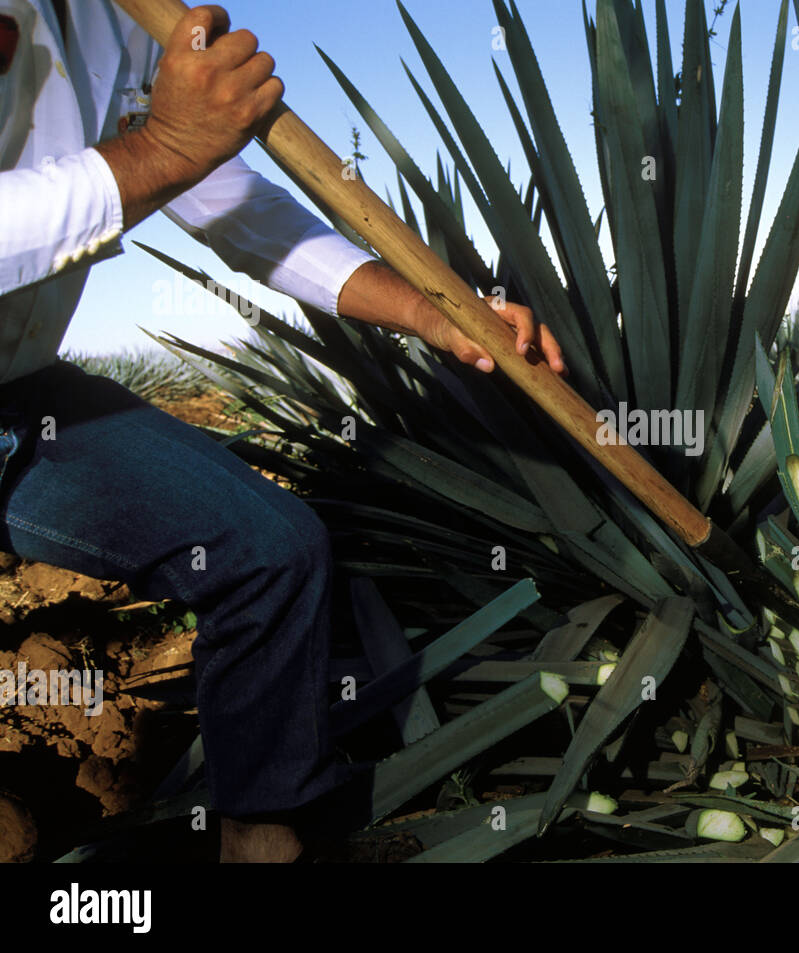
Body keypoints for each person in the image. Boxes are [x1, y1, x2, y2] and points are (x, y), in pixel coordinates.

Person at [0, 1, 565, 862]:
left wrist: (427, 311)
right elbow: (164, 161)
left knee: (269, 546)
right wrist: (161, 148)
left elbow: (232, 207)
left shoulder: (115, 22)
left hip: (17, 389)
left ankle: (264, 839)